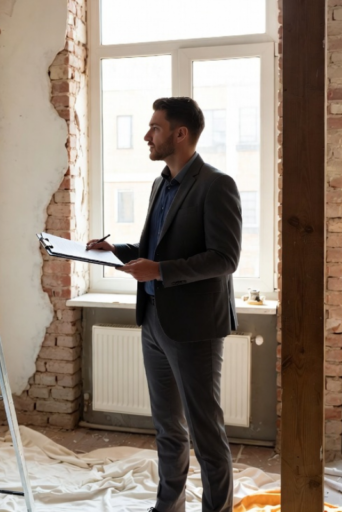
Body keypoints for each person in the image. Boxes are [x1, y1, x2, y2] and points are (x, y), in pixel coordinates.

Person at [87, 97, 242, 512]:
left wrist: (159, 272)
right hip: (154, 321)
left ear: (180, 133)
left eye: (154, 127)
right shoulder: (160, 184)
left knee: (206, 435)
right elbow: (152, 249)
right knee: (168, 430)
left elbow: (225, 258)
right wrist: (112, 250)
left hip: (195, 329)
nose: (146, 135)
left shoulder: (217, 184)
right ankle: (168, 507)